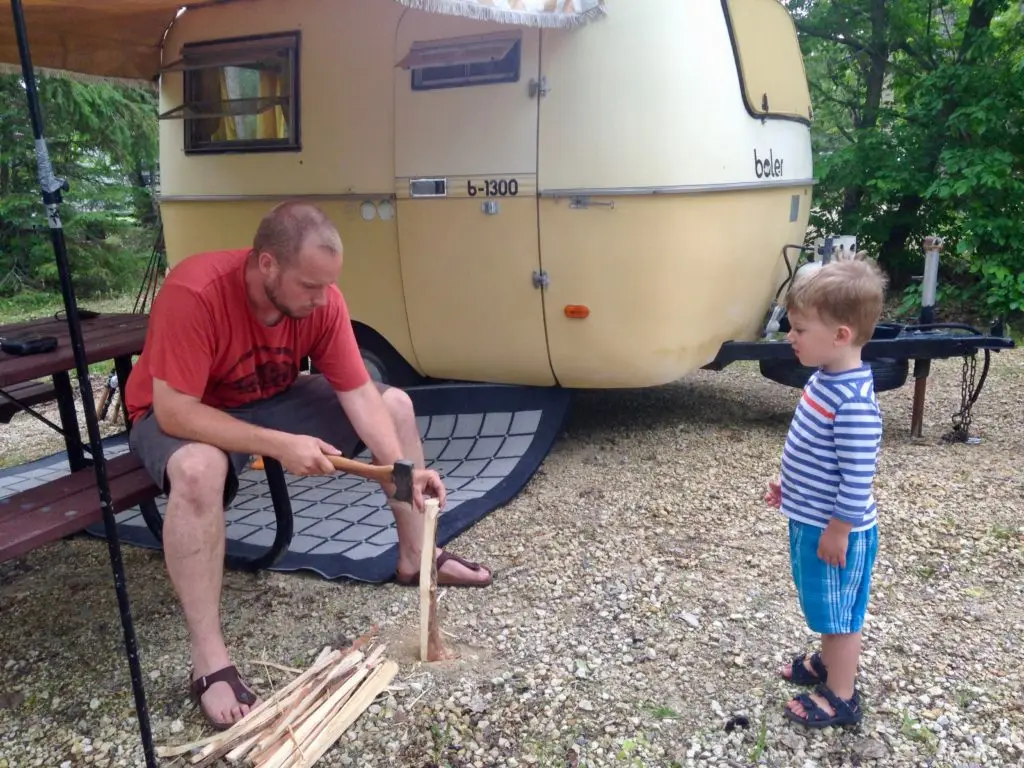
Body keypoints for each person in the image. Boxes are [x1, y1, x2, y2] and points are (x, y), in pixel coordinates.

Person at [124, 201, 493, 730]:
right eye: (310, 286)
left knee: (396, 405)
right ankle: (209, 660)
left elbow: (360, 395)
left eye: (328, 287)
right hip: (180, 410)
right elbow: (174, 410)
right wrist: (279, 443)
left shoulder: (322, 301)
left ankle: (416, 555)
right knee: (200, 470)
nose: (322, 299)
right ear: (267, 264)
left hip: (264, 399)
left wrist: (403, 470)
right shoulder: (196, 292)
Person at [763, 257, 887, 729]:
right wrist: (787, 485)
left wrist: (838, 530)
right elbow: (814, 452)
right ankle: (830, 660)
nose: (790, 337)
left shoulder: (853, 404)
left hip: (836, 531)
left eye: (798, 329)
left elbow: (857, 480)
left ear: (840, 336)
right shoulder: (824, 379)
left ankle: (841, 695)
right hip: (814, 519)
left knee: (839, 616)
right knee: (825, 604)